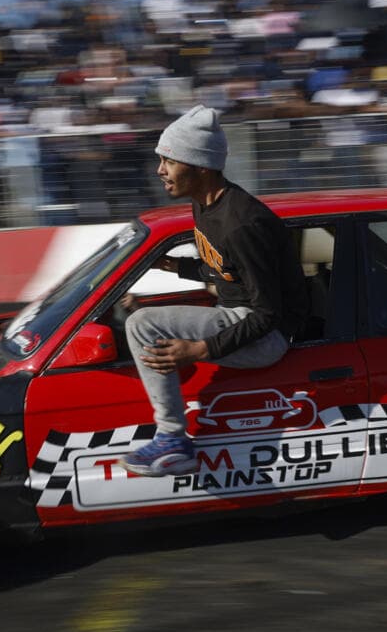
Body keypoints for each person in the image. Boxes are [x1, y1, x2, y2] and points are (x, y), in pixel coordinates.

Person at [120, 105, 310, 477]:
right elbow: (226, 271)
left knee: (143, 325)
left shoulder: (241, 222)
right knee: (140, 308)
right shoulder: (204, 205)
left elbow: (267, 313)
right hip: (240, 317)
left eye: (169, 161)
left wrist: (200, 350)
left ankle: (173, 439)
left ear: (201, 166)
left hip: (267, 337)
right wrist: (174, 265)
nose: (160, 170)